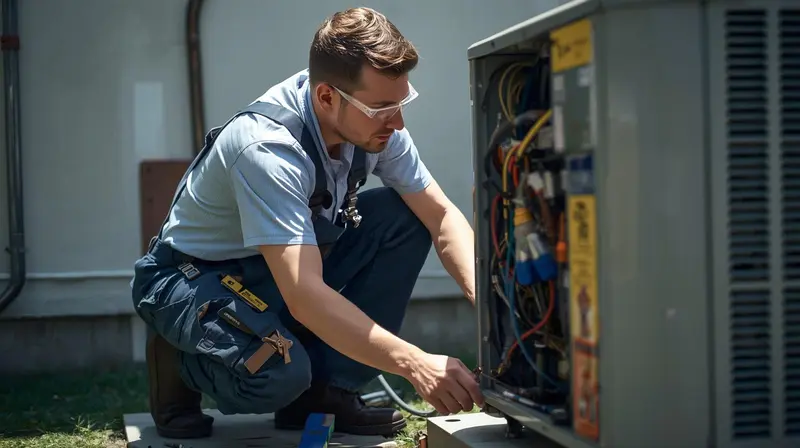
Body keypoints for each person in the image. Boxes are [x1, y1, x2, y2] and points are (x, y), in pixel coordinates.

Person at [130, 6, 483, 440]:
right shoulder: (267, 149)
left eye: (401, 101)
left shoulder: (374, 122)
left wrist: (485, 298)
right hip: (196, 277)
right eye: (382, 107)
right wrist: (415, 362)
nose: (398, 121)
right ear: (327, 98)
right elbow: (305, 297)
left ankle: (325, 394)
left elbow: (441, 216)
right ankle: (180, 357)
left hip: (282, 270)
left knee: (402, 217)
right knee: (277, 375)